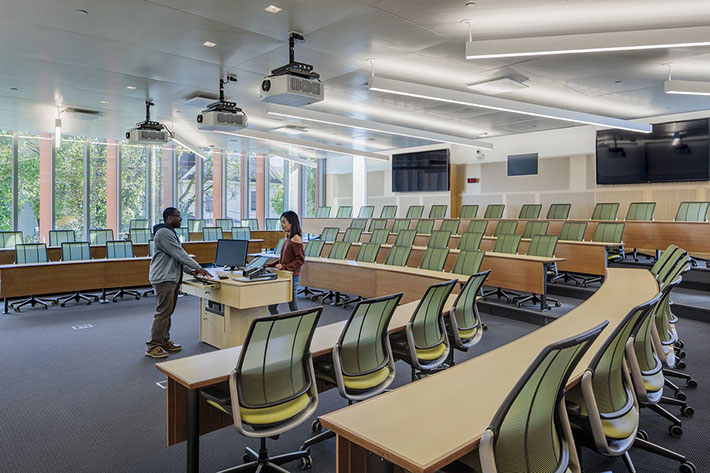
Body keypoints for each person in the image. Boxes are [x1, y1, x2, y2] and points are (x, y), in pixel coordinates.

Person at [146, 207, 211, 359]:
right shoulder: (164, 233)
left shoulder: (169, 232)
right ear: (169, 218)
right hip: (164, 278)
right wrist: (198, 267)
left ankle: (164, 340)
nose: (181, 219)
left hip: (170, 277)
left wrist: (191, 270)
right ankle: (153, 345)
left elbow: (175, 258)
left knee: (167, 311)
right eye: (178, 216)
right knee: (163, 312)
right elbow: (180, 254)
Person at [267, 210, 305, 315]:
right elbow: (284, 258)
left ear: (291, 223)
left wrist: (284, 267)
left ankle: (299, 326)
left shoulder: (296, 238)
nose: (282, 225)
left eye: (284, 222)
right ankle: (277, 324)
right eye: (281, 222)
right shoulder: (287, 238)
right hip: (284, 275)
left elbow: (300, 259)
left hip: (292, 277)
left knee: (293, 307)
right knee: (272, 307)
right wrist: (271, 265)